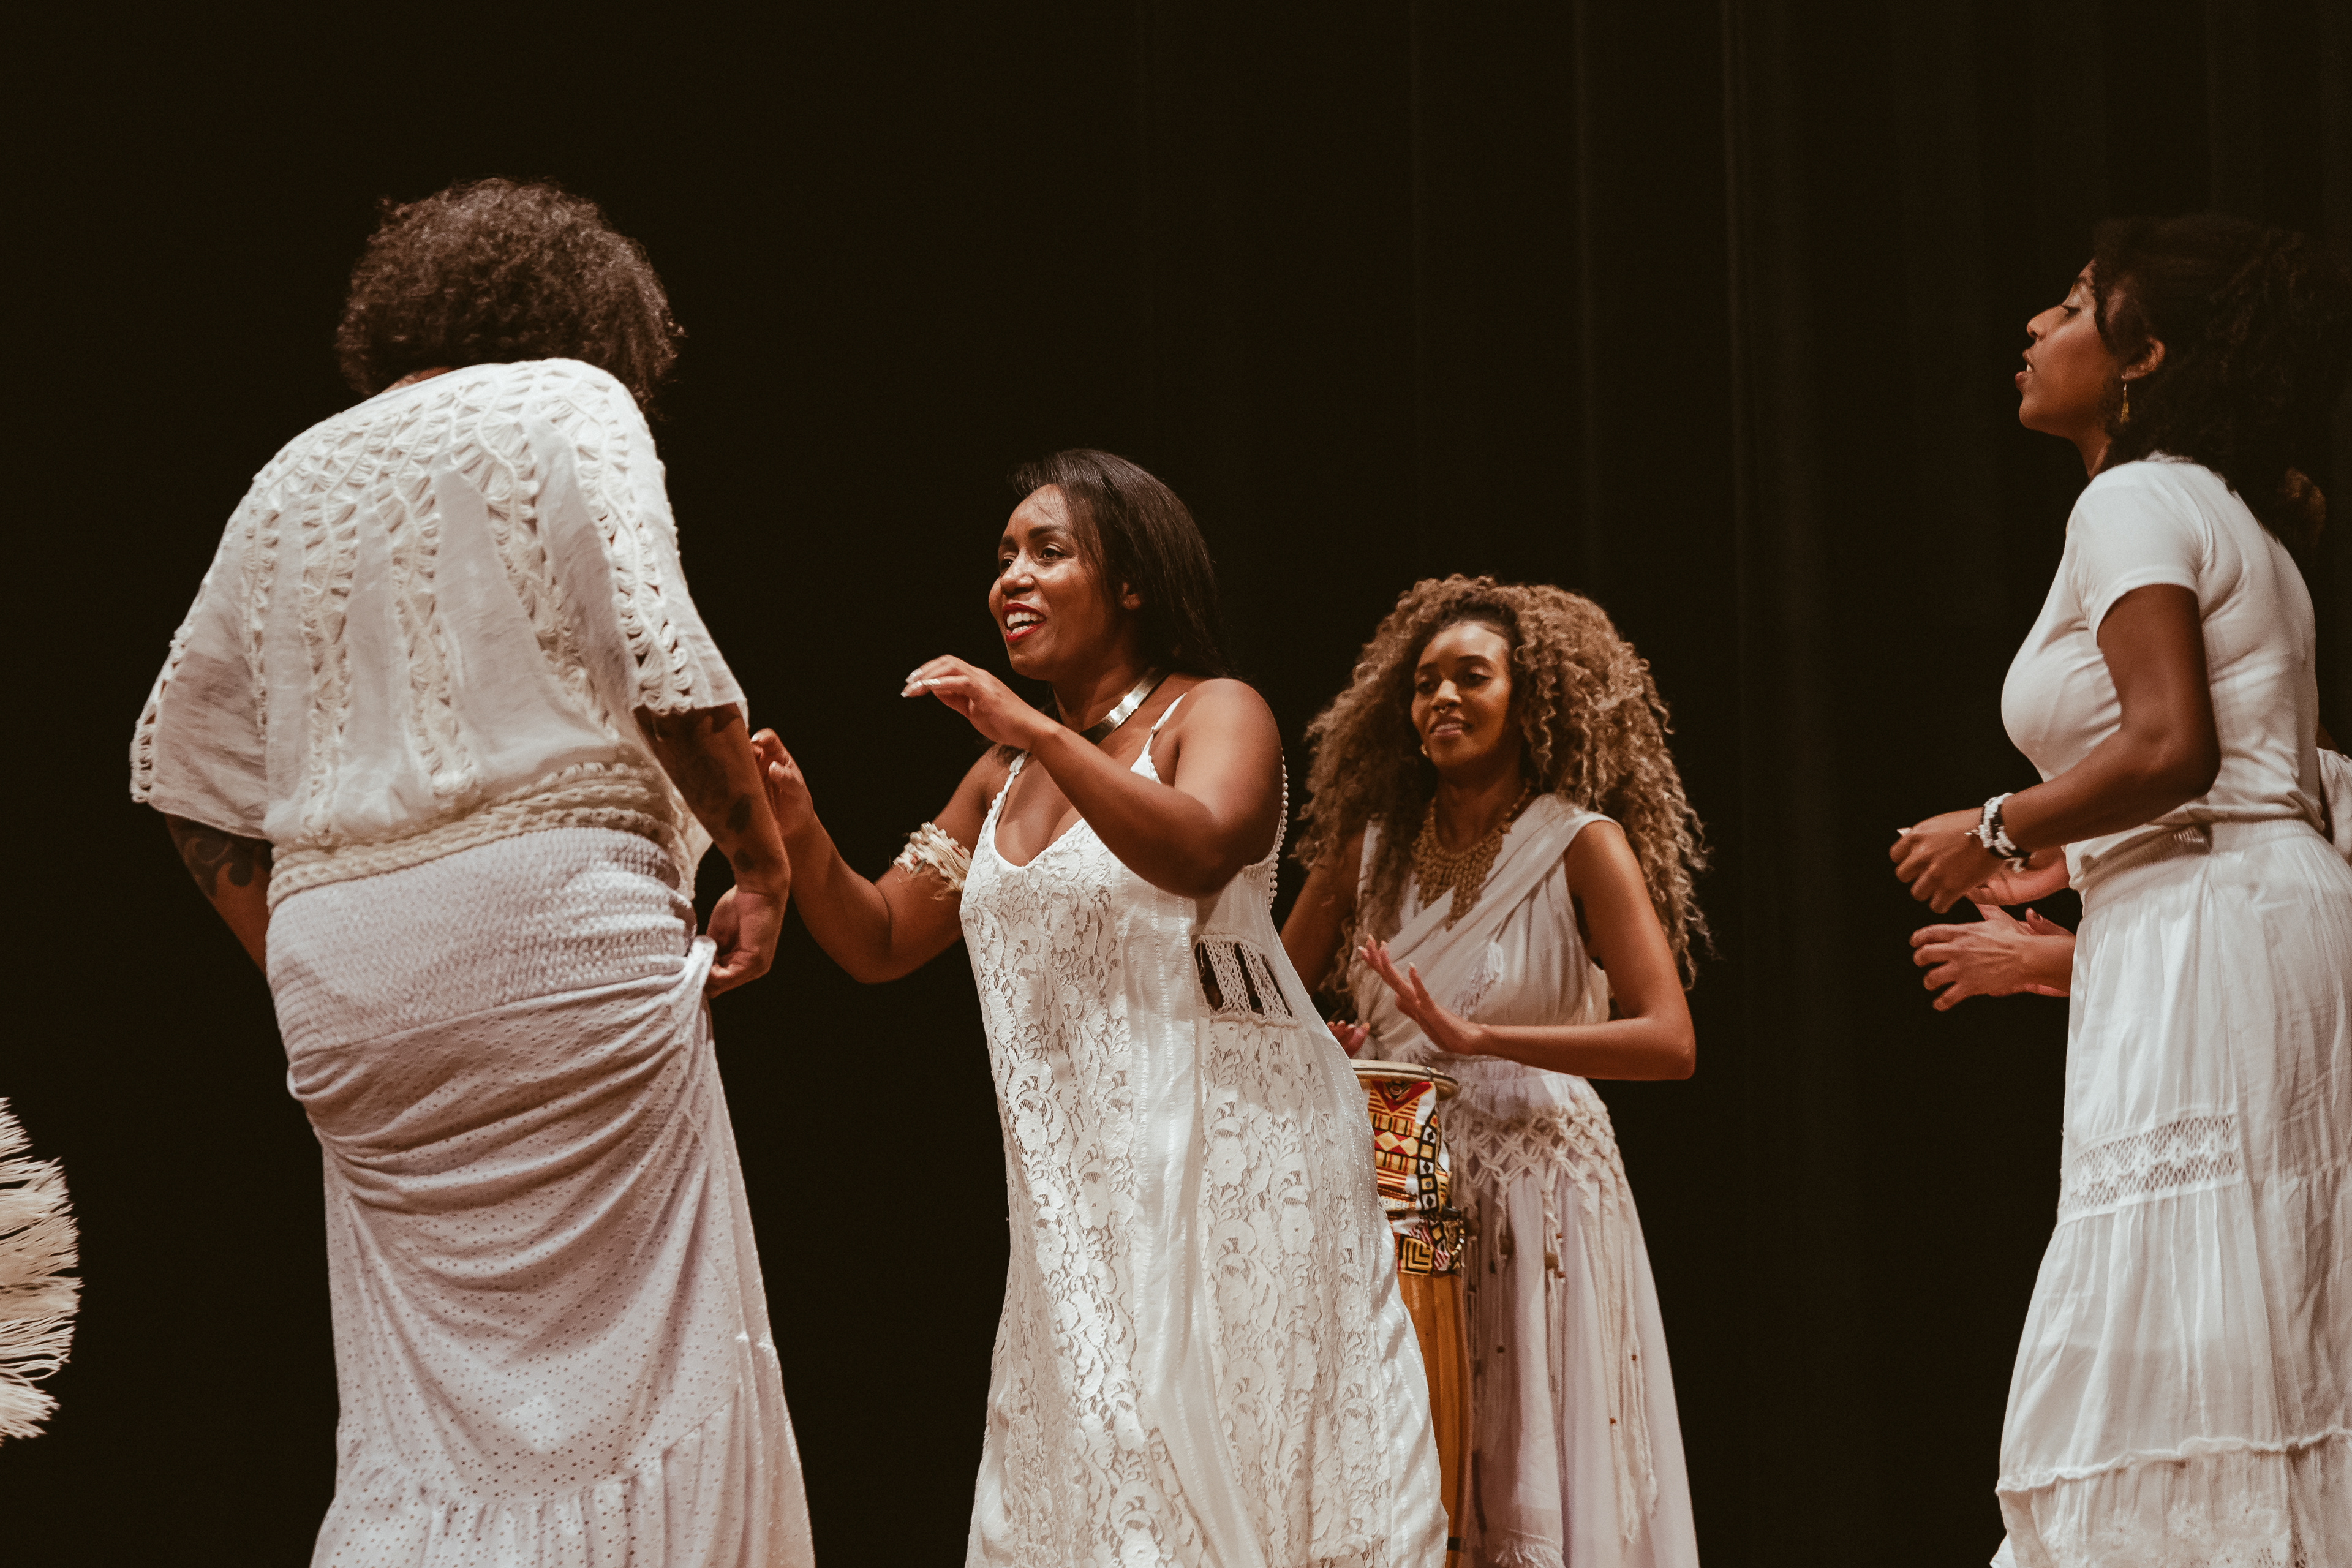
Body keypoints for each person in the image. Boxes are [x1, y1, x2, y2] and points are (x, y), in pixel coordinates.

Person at [130, 179, 814, 1564]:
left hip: (342, 980)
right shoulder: (569, 400)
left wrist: (316, 957)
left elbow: (182, 773)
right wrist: (761, 862)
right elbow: (667, 664)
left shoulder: (290, 474)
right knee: (658, 1366)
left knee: (423, 1418)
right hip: (551, 936)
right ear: (594, 320)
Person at [749, 450, 1447, 1567]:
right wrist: (796, 826)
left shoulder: (1214, 711)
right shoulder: (1001, 779)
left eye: (1047, 551)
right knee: (1098, 1452)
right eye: (1003, 558)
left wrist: (1037, 732)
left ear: (1130, 581)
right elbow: (880, 937)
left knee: (1239, 1443)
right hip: (1072, 1182)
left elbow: (1201, 847)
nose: (1011, 579)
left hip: (1233, 1153)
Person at [1889, 214, 2352, 1567]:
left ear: (2142, 356)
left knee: (2195, 1332)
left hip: (2214, 931)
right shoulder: (2234, 516)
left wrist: (1992, 825)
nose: (2037, 326)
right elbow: (2268, 773)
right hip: (2237, 914)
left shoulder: (2132, 499)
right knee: (2250, 1325)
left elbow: (2173, 745)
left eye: (2076, 304)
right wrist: (2078, 856)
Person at [1282, 576, 1707, 1568]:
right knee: (1416, 1461)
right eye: (1424, 682)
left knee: (1527, 1458)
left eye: (1472, 676)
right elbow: (1270, 1001)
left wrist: (1482, 1038)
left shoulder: (1580, 844)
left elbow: (1669, 1041)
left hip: (1540, 1186)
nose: (1442, 697)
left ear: (1529, 699)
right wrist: (1324, 1048)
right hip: (1401, 1171)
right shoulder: (1368, 851)